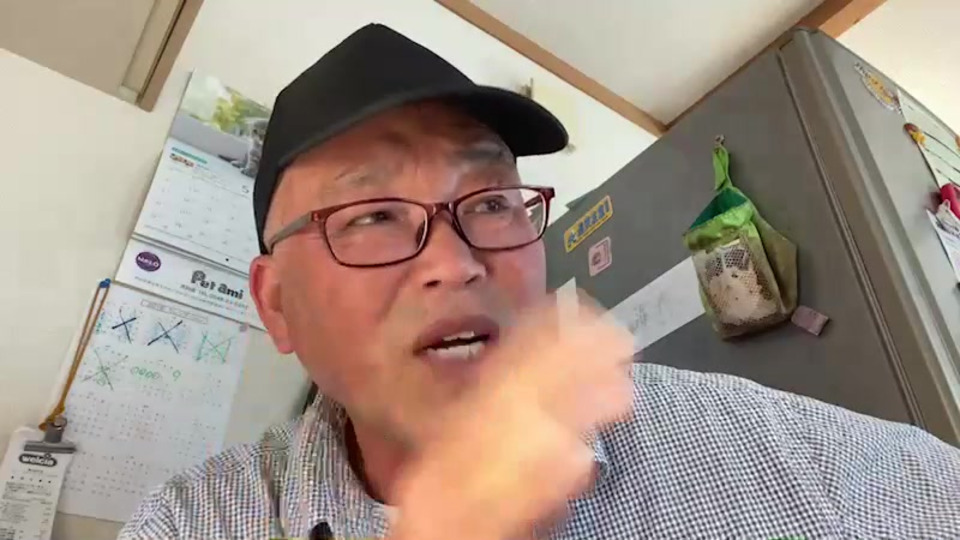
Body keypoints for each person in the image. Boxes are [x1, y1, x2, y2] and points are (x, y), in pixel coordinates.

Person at [120, 23, 960, 540]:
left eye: (491, 201)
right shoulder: (196, 521)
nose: (455, 261)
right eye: (372, 215)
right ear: (276, 304)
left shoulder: (763, 451)